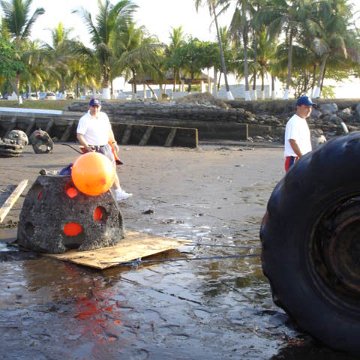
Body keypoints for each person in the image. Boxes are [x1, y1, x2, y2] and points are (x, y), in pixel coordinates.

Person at [76, 98, 132, 201]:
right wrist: (87, 147)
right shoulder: (84, 119)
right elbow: (80, 135)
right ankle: (95, 194)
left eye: (97, 107)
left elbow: (109, 130)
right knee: (95, 173)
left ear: (100, 107)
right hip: (93, 149)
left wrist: (114, 142)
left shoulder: (103, 116)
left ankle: (118, 192)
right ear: (89, 107)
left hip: (105, 147)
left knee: (111, 170)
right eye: (93, 106)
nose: (95, 109)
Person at [284, 95, 315, 172]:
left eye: (310, 107)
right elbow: (292, 141)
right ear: (298, 107)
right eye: (306, 107)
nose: (309, 110)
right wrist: (302, 158)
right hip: (295, 159)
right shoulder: (293, 122)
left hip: (303, 158)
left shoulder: (302, 121)